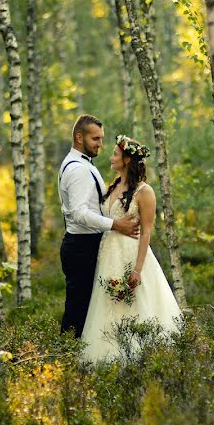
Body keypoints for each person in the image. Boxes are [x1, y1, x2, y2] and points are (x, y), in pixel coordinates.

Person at [80, 135, 184, 363]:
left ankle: (141, 357)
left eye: (115, 154)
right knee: (109, 303)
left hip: (132, 255)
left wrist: (137, 270)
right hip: (109, 254)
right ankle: (108, 357)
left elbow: (146, 232)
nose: (111, 158)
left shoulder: (145, 192)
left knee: (135, 304)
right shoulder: (114, 185)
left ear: (127, 159)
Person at [59, 115, 140, 337]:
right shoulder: (77, 169)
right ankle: (67, 357)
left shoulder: (83, 164)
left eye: (102, 139)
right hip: (81, 247)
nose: (100, 144)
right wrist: (115, 224)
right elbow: (79, 213)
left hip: (87, 244)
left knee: (89, 308)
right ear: (79, 137)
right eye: (95, 138)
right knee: (78, 309)